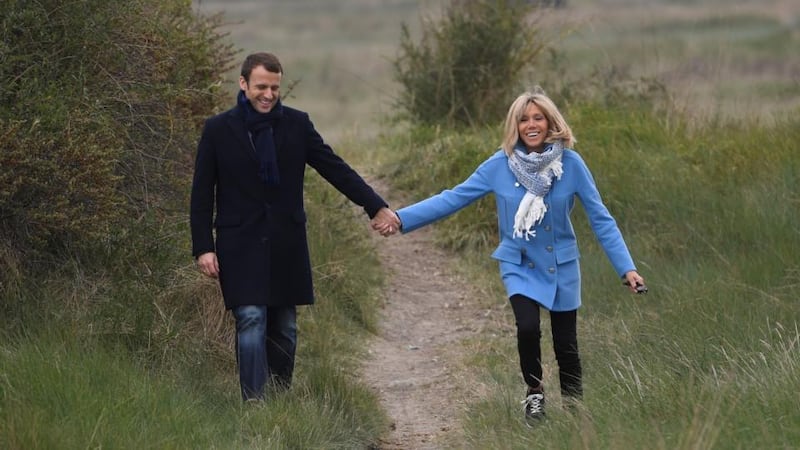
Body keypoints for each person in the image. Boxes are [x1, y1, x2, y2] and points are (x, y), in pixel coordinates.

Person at [373, 87, 645, 422]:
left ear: (550, 123)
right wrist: (402, 218)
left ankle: (576, 414)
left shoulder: (571, 164)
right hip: (519, 262)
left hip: (562, 263)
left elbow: (601, 218)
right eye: (523, 119)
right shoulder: (499, 165)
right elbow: (453, 198)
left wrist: (626, 268)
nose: (531, 125)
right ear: (514, 126)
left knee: (566, 344)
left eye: (538, 118)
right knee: (528, 327)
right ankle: (534, 393)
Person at [190, 52, 400, 401]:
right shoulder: (218, 130)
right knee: (251, 317)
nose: (268, 94)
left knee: (284, 328)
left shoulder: (296, 125)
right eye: (261, 86)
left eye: (274, 87)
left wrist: (375, 205)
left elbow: (335, 168)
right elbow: (201, 193)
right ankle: (255, 403)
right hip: (238, 242)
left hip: (285, 243)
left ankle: (278, 397)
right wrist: (203, 246)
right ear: (243, 85)